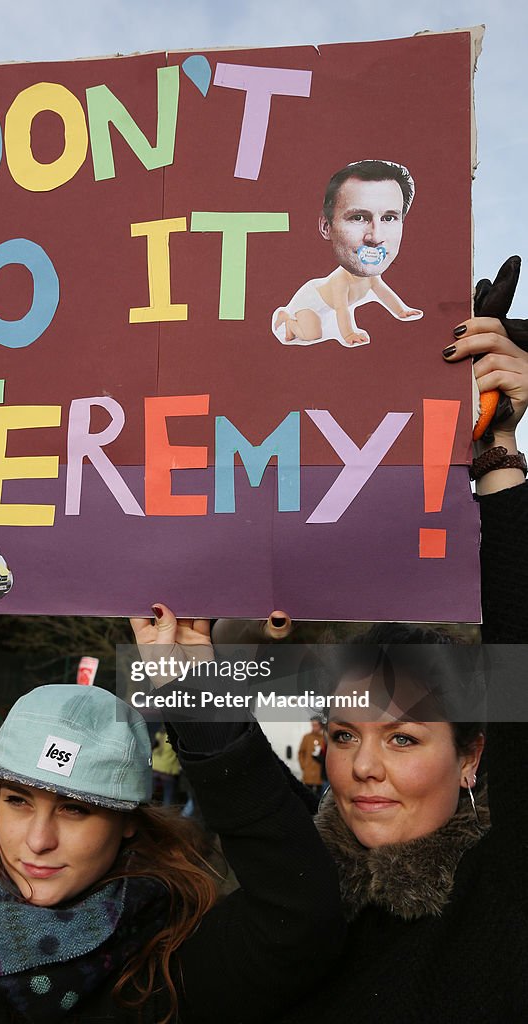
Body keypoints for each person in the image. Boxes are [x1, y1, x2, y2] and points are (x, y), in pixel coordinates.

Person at [0, 433, 344, 1024]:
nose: (37, 841)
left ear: (127, 824)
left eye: (76, 808)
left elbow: (300, 915)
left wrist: (197, 694)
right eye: (18, 799)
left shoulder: (172, 968)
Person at [223, 262, 528, 1021]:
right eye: (344, 733)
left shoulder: (505, 890)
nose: (360, 766)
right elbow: (209, 730)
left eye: (403, 739)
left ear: (473, 756)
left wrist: (496, 454)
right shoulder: (282, 895)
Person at [272, 159, 422, 347]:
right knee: (312, 334)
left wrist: (401, 311)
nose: (375, 237)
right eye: (358, 217)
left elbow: (383, 292)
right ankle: (288, 320)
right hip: (309, 304)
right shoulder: (341, 280)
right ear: (326, 227)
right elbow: (342, 309)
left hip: (323, 306)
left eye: (389, 218)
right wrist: (349, 334)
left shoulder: (371, 276)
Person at [296, 717, 325, 797]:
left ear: (320, 726)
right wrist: (303, 766)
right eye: (312, 725)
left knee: (318, 797)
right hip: (308, 774)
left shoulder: (324, 738)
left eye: (316, 725)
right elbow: (301, 753)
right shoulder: (307, 737)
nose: (314, 727)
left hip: (319, 776)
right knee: (306, 796)